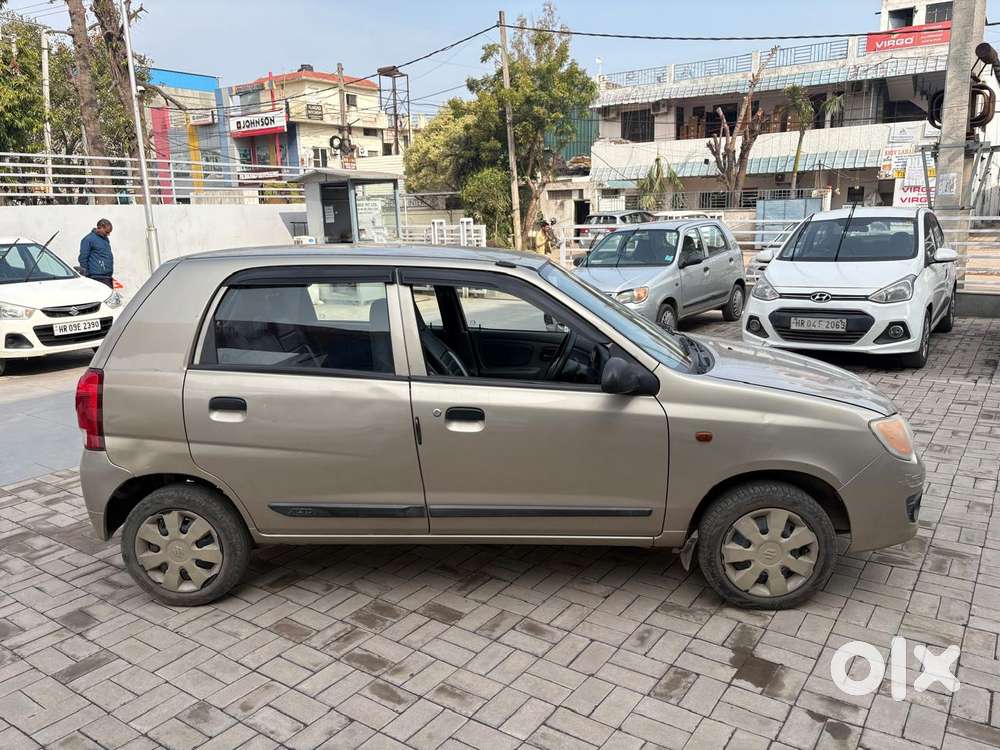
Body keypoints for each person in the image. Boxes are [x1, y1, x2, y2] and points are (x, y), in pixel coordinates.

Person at [79, 219, 114, 287]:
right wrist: (87, 274)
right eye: (107, 232)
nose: (108, 234)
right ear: (100, 228)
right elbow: (83, 258)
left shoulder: (105, 238)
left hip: (107, 276)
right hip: (96, 277)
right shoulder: (88, 239)